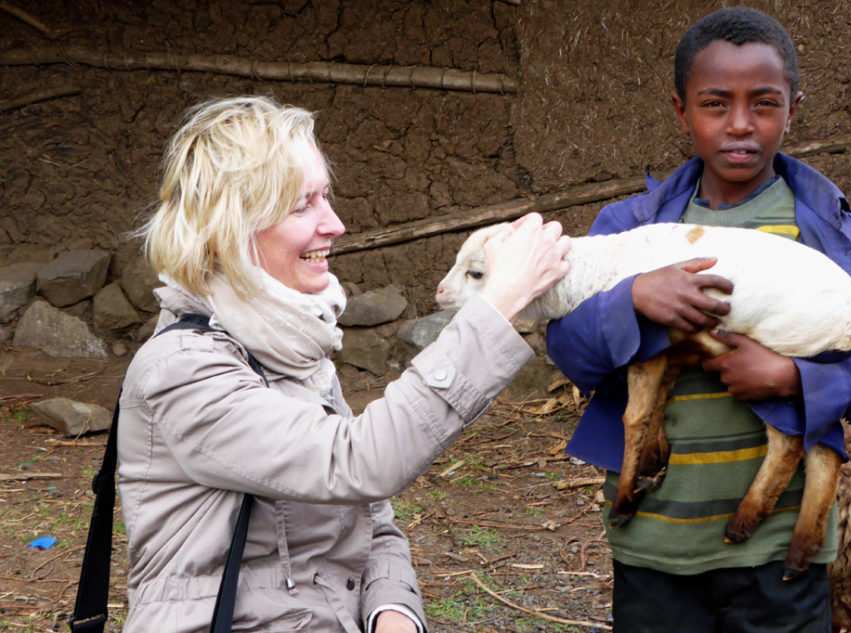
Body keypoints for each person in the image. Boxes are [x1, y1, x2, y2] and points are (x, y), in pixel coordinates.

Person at [117, 95, 570, 633]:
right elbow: (358, 462)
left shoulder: (292, 347)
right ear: (228, 227)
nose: (334, 223)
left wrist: (393, 610)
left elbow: (369, 515)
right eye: (301, 205)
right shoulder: (183, 368)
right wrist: (497, 303)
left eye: (326, 197)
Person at [546, 7, 851, 632]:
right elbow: (571, 351)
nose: (740, 125)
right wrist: (632, 298)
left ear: (794, 108)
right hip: (656, 541)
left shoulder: (839, 239)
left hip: (781, 551)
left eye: (764, 104)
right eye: (716, 104)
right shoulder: (627, 232)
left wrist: (795, 378)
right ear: (681, 109)